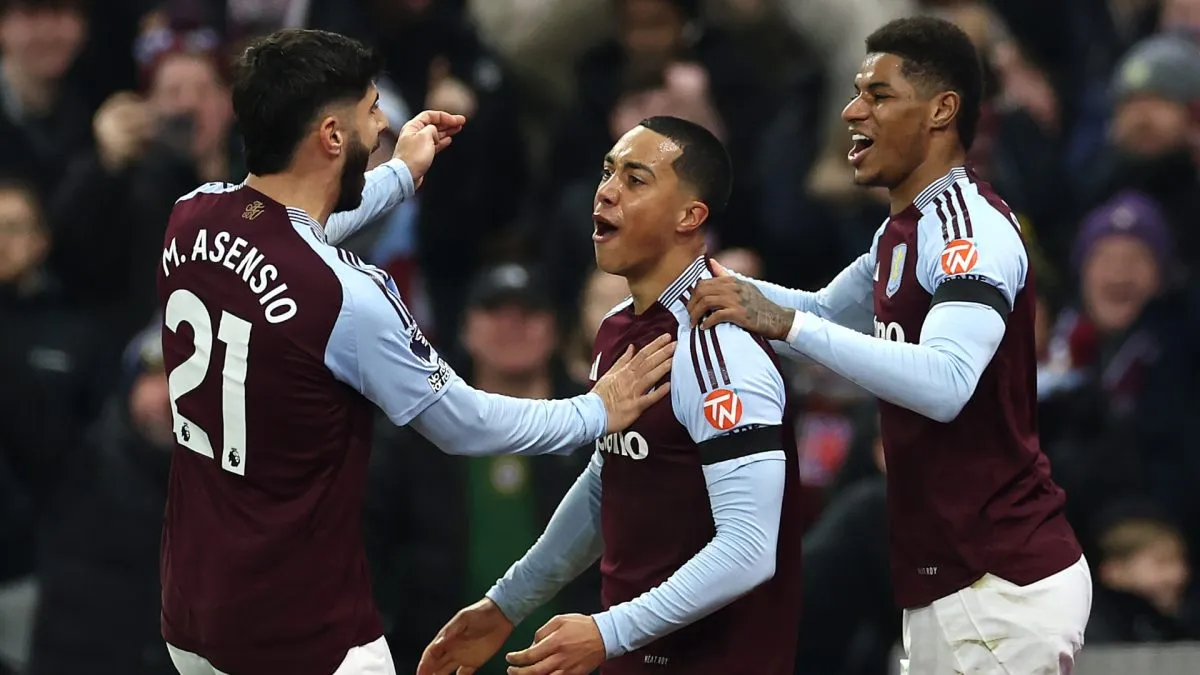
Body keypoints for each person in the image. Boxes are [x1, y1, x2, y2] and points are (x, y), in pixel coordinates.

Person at [156, 29, 675, 675]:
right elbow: (463, 423)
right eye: (373, 109)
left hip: (192, 616)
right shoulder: (352, 295)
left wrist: (401, 174)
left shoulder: (192, 216)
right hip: (302, 637)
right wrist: (594, 410)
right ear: (331, 136)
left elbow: (291, 237)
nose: (382, 125)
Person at [685, 16, 1090, 674]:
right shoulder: (901, 231)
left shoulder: (968, 229)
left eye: (878, 95)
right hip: (950, 579)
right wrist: (690, 281)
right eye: (855, 91)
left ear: (941, 110)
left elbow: (946, 382)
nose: (851, 110)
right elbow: (812, 311)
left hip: (997, 582)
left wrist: (784, 323)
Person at [418, 116, 803, 675]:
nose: (606, 191)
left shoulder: (721, 349)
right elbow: (610, 481)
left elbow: (748, 549)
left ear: (689, 216)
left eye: (636, 179)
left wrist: (608, 630)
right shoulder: (619, 328)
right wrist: (508, 603)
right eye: (607, 172)